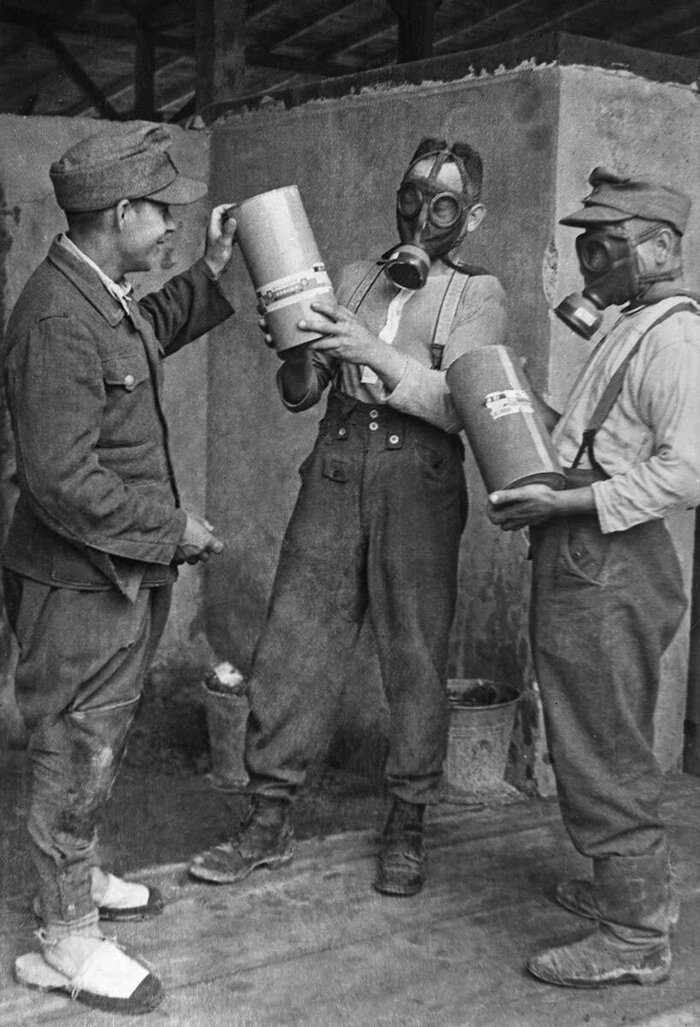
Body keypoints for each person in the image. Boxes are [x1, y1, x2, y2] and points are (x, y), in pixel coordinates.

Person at [190, 137, 507, 897]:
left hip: (418, 478)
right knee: (295, 638)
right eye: (411, 195)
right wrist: (295, 351)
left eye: (443, 204)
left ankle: (408, 820)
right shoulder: (359, 275)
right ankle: (268, 817)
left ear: (471, 218)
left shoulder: (479, 295)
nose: (421, 215)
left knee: (415, 653)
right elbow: (302, 393)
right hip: (336, 462)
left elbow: (458, 407)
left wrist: (371, 351)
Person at [4, 123, 236, 1014]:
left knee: (99, 738)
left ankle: (78, 875)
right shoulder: (58, 319)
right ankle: (66, 935)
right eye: (163, 212)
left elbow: (151, 333)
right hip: (80, 586)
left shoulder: (99, 293)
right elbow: (62, 480)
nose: (173, 223)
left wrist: (210, 271)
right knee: (74, 745)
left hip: (114, 577)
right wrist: (173, 529)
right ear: (121, 211)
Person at [487, 167, 700, 987]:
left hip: (612, 558)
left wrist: (564, 505)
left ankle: (636, 935)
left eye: (605, 247)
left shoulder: (676, 339)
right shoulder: (633, 324)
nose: (591, 265)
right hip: (588, 550)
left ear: (660, 249)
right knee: (595, 734)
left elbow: (685, 474)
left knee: (602, 745)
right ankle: (632, 891)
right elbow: (596, 442)